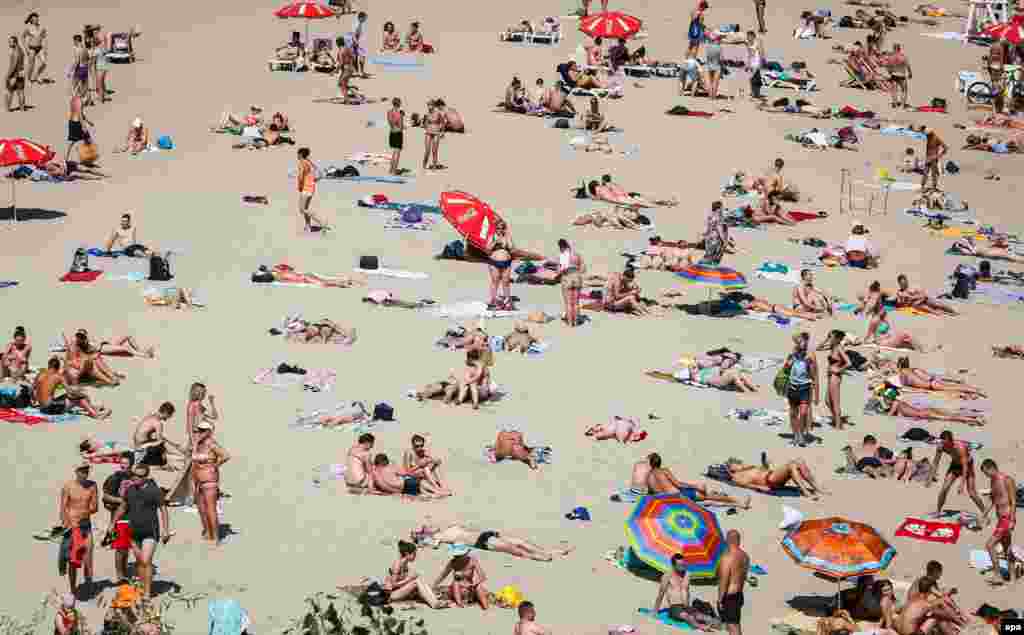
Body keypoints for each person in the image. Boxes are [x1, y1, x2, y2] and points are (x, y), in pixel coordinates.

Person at [112, 463, 171, 598]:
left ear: (146, 477)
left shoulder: (154, 490)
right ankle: (143, 586)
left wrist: (166, 530)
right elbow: (122, 507)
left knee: (146, 560)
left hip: (150, 531)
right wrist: (112, 524)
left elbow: (163, 509)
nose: (136, 478)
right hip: (133, 532)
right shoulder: (130, 490)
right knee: (140, 561)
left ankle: (147, 592)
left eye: (140, 476)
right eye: (134, 475)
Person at [411, 519, 573, 561]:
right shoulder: (439, 536)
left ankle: (549, 551)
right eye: (425, 528)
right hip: (482, 541)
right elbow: (431, 544)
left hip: (486, 534)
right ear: (426, 533)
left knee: (520, 541)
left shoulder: (446, 529)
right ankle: (542, 557)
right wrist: (420, 539)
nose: (429, 525)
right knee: (514, 549)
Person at [648, 453, 752, 508]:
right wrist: (695, 486)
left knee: (707, 498)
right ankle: (739, 503)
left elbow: (652, 493)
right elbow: (678, 484)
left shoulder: (649, 477)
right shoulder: (664, 470)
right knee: (708, 496)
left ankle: (736, 502)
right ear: (659, 463)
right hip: (678, 496)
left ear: (651, 464)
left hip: (666, 501)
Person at [927, 430, 988, 520]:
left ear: (952, 441)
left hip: (967, 465)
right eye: (943, 443)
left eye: (947, 443)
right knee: (944, 489)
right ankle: (938, 511)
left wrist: (961, 484)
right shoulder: (941, 446)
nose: (945, 445)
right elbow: (936, 462)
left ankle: (984, 513)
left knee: (972, 493)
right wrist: (930, 477)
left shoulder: (960, 447)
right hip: (955, 465)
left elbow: (965, 466)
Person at [59, 462, 98, 597]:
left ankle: (88, 585)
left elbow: (95, 507)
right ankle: (73, 589)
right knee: (72, 560)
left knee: (88, 557)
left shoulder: (92, 485)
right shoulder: (68, 486)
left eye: (86, 471)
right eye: (82, 471)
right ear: (76, 471)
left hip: (85, 525)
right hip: (72, 526)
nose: (84, 473)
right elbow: (63, 507)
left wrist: (85, 512)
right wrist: (66, 524)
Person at [654, 554, 718, 630]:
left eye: (683, 564)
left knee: (701, 616)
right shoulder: (667, 576)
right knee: (687, 616)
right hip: (674, 606)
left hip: (686, 606)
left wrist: (688, 607)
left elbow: (685, 591)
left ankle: (719, 625)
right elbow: (661, 594)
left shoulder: (687, 575)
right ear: (673, 565)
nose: (682, 566)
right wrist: (655, 610)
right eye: (680, 565)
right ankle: (700, 627)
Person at [34, 357, 110, 419]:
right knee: (79, 399)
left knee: (66, 396)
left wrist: (35, 401)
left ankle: (93, 407)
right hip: (50, 409)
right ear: (58, 368)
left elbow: (32, 390)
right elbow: (70, 392)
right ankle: (95, 415)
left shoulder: (40, 374)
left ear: (48, 365)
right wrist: (82, 394)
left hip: (42, 408)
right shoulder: (58, 376)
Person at [191, 420, 229, 545]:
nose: (199, 432)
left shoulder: (211, 444)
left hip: (209, 480)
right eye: (198, 430)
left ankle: (216, 537)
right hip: (198, 480)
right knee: (201, 508)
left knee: (210, 509)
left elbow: (225, 455)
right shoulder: (198, 444)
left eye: (202, 431)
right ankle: (208, 532)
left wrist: (215, 466)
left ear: (208, 432)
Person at [980, 459, 1017, 585]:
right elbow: (992, 499)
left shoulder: (1007, 479)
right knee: (1007, 548)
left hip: (1007, 518)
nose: (986, 475)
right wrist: (984, 514)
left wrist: (1012, 520)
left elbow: (1013, 501)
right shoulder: (993, 481)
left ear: (991, 468)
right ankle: (1012, 577)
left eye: (986, 472)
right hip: (1001, 519)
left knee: (989, 545)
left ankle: (998, 575)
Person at [100, 453, 135, 583]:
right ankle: (120, 576)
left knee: (127, 547)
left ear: (131, 464)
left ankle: (125, 572)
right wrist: (122, 500)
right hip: (118, 516)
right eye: (121, 463)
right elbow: (105, 497)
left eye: (125, 463)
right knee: (120, 547)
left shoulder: (136, 477)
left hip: (134, 516)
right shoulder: (114, 478)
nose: (122, 466)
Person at [383, 541, 448, 609]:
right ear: (407, 554)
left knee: (419, 581)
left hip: (399, 592)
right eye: (414, 554)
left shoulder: (405, 565)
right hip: (391, 595)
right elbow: (394, 584)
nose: (415, 556)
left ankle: (434, 599)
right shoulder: (397, 565)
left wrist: (411, 578)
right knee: (416, 582)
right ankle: (434, 603)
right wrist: (409, 579)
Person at [726, 456, 829, 499]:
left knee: (799, 461)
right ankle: (806, 492)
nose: (740, 463)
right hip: (769, 480)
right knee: (792, 465)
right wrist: (761, 488)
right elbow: (748, 485)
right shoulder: (736, 477)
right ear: (731, 468)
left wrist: (765, 464)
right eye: (736, 463)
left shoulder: (747, 468)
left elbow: (761, 469)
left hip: (772, 474)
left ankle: (817, 488)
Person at [783, 332, 819, 447]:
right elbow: (785, 369)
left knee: (803, 413)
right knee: (793, 413)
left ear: (807, 342)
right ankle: (795, 436)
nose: (801, 344)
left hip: (805, 388)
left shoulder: (810, 356)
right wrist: (790, 360)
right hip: (793, 387)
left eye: (803, 341)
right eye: (799, 342)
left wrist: (817, 395)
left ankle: (801, 435)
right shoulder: (793, 353)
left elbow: (815, 377)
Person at [895, 578, 965, 635]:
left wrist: (949, 593)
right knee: (936, 617)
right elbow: (945, 615)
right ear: (931, 589)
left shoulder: (912, 599)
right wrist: (959, 621)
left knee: (926, 616)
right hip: (911, 634)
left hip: (899, 630)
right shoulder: (926, 604)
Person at [893, 357, 984, 397]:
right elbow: (926, 376)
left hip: (931, 385)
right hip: (933, 380)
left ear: (899, 366)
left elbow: (904, 385)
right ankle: (974, 390)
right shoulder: (913, 369)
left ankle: (974, 391)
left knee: (953, 388)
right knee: (952, 385)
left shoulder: (902, 374)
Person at [370, 453, 447, 499]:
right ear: (384, 462)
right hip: (404, 485)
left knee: (419, 487)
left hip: (401, 491)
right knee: (421, 482)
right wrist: (418, 466)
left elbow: (372, 488)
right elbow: (407, 473)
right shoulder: (389, 468)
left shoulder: (374, 473)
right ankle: (437, 491)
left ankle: (431, 494)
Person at [132, 402, 184, 468]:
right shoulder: (158, 423)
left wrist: (174, 444)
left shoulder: (151, 415)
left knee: (161, 443)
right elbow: (160, 440)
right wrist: (175, 449)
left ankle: (175, 456)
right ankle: (165, 463)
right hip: (142, 446)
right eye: (170, 415)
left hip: (138, 443)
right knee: (162, 446)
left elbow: (159, 436)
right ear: (165, 413)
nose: (170, 417)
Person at [717, 530, 749, 635]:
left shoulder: (727, 557)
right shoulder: (745, 556)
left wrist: (720, 599)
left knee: (732, 626)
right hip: (739, 594)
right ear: (738, 540)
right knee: (736, 625)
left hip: (729, 596)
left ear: (727, 540)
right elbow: (743, 577)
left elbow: (724, 581)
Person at [820, 329, 850, 429]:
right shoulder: (833, 346)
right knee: (827, 401)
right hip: (830, 376)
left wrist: (839, 370)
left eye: (831, 337)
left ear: (837, 339)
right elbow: (818, 348)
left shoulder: (839, 348)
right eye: (830, 336)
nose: (830, 339)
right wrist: (826, 339)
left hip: (835, 377)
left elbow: (848, 362)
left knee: (835, 402)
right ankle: (837, 420)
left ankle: (838, 425)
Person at [296, 147, 330, 233]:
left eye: (297, 154)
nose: (297, 155)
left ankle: (322, 222)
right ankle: (308, 226)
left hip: (306, 188)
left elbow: (300, 176)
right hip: (311, 187)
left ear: (300, 154)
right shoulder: (309, 162)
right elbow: (320, 175)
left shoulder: (302, 163)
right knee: (306, 208)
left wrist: (299, 186)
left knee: (302, 209)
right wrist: (313, 180)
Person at [556, 239, 584, 327]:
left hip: (567, 278)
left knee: (568, 303)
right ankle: (576, 322)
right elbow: (583, 268)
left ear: (561, 247)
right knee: (576, 303)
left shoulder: (563, 255)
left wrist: (558, 273)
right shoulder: (576, 255)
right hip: (577, 277)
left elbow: (560, 270)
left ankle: (570, 323)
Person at [488, 219, 514, 310]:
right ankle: (493, 300)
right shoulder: (492, 237)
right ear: (495, 229)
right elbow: (488, 248)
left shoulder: (507, 237)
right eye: (498, 228)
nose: (500, 230)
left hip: (506, 262)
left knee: (506, 282)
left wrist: (506, 240)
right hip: (494, 262)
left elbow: (512, 248)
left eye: (502, 228)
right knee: (495, 281)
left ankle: (507, 301)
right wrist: (496, 242)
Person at [185, 382, 218, 447]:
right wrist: (193, 443)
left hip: (203, 438)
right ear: (194, 392)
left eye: (203, 392)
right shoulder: (193, 405)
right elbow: (190, 425)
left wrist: (212, 403)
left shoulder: (200, 406)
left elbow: (214, 416)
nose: (202, 394)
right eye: (199, 391)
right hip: (197, 438)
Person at [66, 91, 94, 163]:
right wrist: (83, 125)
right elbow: (79, 114)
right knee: (87, 139)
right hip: (77, 123)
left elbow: (79, 113)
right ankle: (87, 158)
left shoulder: (73, 99)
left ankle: (66, 158)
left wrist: (88, 121)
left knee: (72, 142)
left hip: (72, 122)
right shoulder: (79, 101)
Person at [22, 12, 48, 84]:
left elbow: (44, 38)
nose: (36, 20)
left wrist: (45, 48)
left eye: (37, 18)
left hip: (40, 48)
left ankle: (36, 76)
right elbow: (22, 37)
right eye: (34, 19)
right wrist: (26, 48)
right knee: (31, 65)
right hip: (31, 48)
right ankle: (29, 78)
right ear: (31, 20)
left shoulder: (42, 28)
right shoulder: (28, 28)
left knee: (44, 63)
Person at [702, 201, 731, 265]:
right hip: (716, 238)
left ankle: (703, 268)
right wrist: (724, 240)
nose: (722, 208)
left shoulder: (710, 215)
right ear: (718, 208)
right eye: (721, 207)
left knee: (708, 254)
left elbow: (707, 227)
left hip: (709, 237)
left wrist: (705, 234)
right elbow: (719, 229)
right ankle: (711, 268)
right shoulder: (718, 217)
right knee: (715, 256)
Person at [885, 43, 912, 109]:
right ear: (899, 49)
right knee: (904, 90)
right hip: (901, 75)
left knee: (894, 90)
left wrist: (890, 72)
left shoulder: (891, 57)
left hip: (894, 75)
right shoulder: (903, 56)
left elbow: (888, 66)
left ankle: (895, 103)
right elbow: (907, 66)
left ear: (894, 49)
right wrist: (910, 73)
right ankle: (902, 105)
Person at [921, 127, 948, 191]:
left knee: (933, 174)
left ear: (931, 133)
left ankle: (934, 187)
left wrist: (938, 156)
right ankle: (923, 186)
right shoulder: (928, 137)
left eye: (927, 134)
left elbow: (945, 147)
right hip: (928, 158)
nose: (927, 135)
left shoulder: (936, 138)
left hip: (933, 158)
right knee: (925, 172)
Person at [6, 35, 27, 112]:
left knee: (9, 92)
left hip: (14, 74)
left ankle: (7, 109)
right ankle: (22, 108)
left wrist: (8, 75)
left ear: (15, 42)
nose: (9, 44)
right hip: (21, 73)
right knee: (21, 91)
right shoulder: (21, 50)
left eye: (10, 42)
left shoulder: (15, 52)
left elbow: (14, 65)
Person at [423, 99, 446, 170]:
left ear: (433, 105)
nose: (429, 106)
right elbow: (425, 123)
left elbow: (443, 122)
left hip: (436, 132)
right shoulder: (427, 114)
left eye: (430, 105)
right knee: (427, 150)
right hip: (428, 132)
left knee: (434, 150)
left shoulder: (438, 113)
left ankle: (434, 166)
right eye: (428, 105)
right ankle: (424, 164)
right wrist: (426, 125)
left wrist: (442, 132)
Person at [387, 97, 404, 175]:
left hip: (391, 132)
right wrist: (401, 117)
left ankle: (391, 169)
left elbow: (390, 122)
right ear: (399, 104)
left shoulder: (389, 112)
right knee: (397, 152)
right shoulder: (399, 113)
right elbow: (400, 126)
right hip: (398, 133)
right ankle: (394, 170)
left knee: (394, 152)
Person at [746, 31, 765, 100]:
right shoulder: (748, 43)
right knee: (751, 79)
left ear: (753, 36)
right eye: (747, 36)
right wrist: (747, 64)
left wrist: (761, 63)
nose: (747, 38)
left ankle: (757, 93)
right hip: (751, 63)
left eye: (749, 36)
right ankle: (753, 92)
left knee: (756, 79)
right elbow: (749, 54)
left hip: (757, 63)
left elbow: (761, 53)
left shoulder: (758, 43)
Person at [705, 32, 724, 103]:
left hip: (708, 65)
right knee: (715, 82)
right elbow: (722, 59)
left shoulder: (708, 47)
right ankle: (714, 97)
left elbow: (707, 57)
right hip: (717, 66)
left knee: (709, 82)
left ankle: (710, 96)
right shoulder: (719, 48)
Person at [352, 11, 369, 78]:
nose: (365, 20)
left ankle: (357, 71)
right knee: (361, 57)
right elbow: (354, 34)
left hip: (356, 42)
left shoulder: (358, 23)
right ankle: (360, 72)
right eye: (365, 18)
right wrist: (356, 43)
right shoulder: (357, 24)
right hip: (357, 42)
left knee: (355, 57)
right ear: (361, 17)